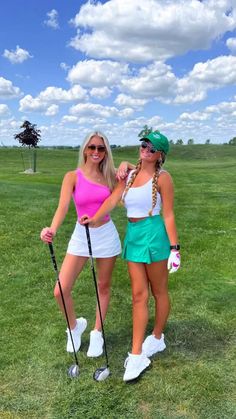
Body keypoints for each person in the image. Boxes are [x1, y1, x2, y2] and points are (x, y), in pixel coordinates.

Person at [80, 131, 181, 381]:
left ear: (160, 155)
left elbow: (168, 214)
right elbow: (114, 198)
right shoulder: (130, 174)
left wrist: (175, 248)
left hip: (154, 235)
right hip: (134, 235)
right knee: (138, 295)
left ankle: (156, 338)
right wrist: (94, 218)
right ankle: (137, 354)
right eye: (144, 144)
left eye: (152, 147)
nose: (146, 149)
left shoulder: (164, 179)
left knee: (159, 291)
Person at [40, 131, 132, 358]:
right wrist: (51, 229)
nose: (96, 152)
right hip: (81, 236)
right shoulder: (72, 176)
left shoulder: (112, 176)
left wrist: (125, 163)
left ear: (106, 151)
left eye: (101, 148)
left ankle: (97, 332)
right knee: (60, 290)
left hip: (105, 237)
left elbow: (119, 192)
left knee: (103, 286)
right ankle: (74, 327)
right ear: (84, 149)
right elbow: (62, 207)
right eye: (92, 147)